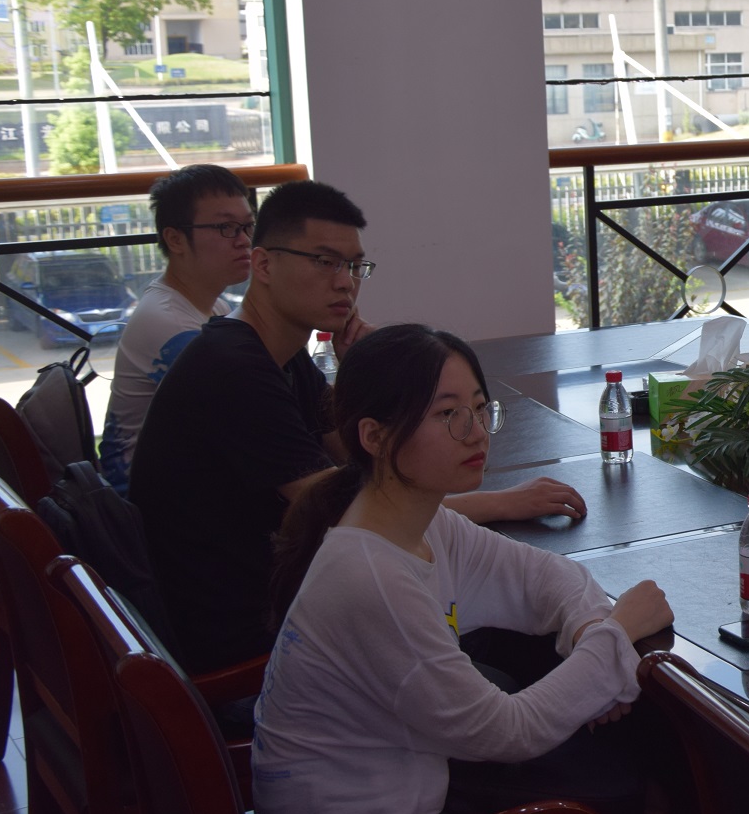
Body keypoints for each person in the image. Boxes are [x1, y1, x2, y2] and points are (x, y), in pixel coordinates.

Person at [253, 324, 678, 814]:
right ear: (374, 436)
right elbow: (508, 732)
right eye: (448, 414)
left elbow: (544, 578)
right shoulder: (370, 577)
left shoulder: (418, 522)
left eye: (480, 408)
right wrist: (613, 639)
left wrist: (588, 630)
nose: (476, 432)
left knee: (645, 804)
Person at [131, 180, 586, 673]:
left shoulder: (279, 355)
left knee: (521, 621)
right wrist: (500, 502)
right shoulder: (232, 368)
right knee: (523, 637)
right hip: (261, 643)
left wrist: (362, 373)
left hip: (299, 599)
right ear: (263, 265)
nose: (345, 283)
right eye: (324, 262)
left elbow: (358, 455)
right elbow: (348, 505)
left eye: (354, 266)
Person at [98, 164, 253, 496]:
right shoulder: (170, 323)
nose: (244, 241)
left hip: (184, 484)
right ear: (175, 239)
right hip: (146, 505)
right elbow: (249, 415)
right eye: (226, 227)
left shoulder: (214, 306)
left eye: (247, 226)